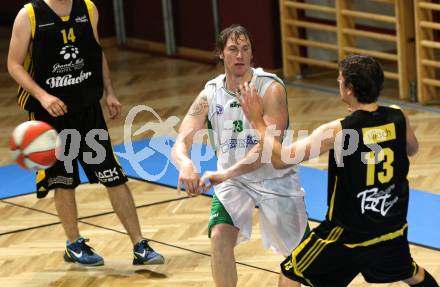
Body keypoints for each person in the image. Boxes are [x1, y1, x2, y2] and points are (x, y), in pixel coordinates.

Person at [238, 55, 439, 286]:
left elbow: (282, 159)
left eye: (340, 78)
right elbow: (412, 150)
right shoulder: (398, 115)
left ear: (350, 89)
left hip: (347, 234)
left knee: (291, 272)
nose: (337, 80)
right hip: (390, 228)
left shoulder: (338, 130)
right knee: (412, 273)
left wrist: (257, 122)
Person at [7, 0, 164, 266]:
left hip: (88, 110)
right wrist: (43, 97)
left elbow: (96, 51)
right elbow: (14, 64)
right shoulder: (29, 15)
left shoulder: (88, 8)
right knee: (63, 181)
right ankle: (74, 244)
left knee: (113, 175)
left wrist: (110, 91)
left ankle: (139, 245)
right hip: (50, 116)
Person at [171, 24, 309, 287]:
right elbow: (182, 140)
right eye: (233, 49)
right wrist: (185, 163)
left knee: (297, 256)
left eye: (245, 49)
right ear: (220, 54)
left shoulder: (270, 89)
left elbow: (267, 150)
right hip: (234, 181)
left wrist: (225, 173)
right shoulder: (209, 94)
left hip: (274, 177)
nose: (240, 55)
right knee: (220, 235)